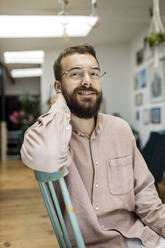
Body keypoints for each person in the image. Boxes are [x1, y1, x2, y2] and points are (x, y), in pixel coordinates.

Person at [21, 44, 165, 248]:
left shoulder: (120, 129)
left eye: (94, 74)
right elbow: (46, 157)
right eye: (76, 74)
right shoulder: (52, 136)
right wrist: (59, 106)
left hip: (140, 237)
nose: (87, 81)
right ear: (58, 87)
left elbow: (146, 196)